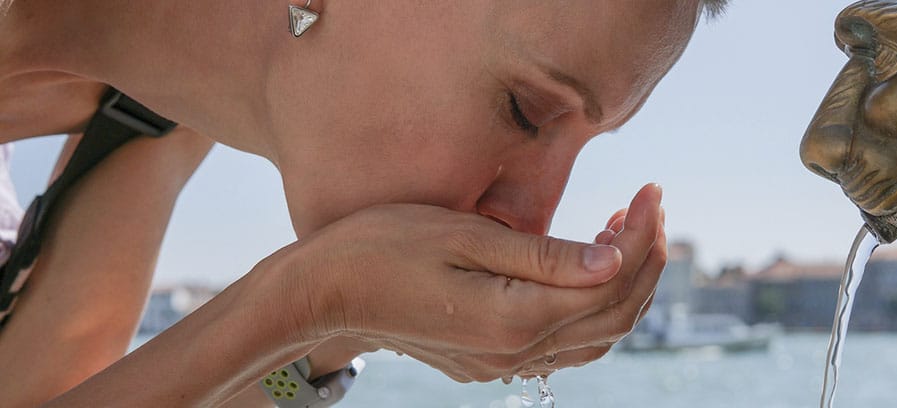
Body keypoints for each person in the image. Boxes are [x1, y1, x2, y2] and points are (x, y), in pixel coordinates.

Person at [0, 0, 727, 406]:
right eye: (525, 112)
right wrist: (307, 301)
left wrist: (336, 332)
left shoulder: (151, 112)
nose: (531, 218)